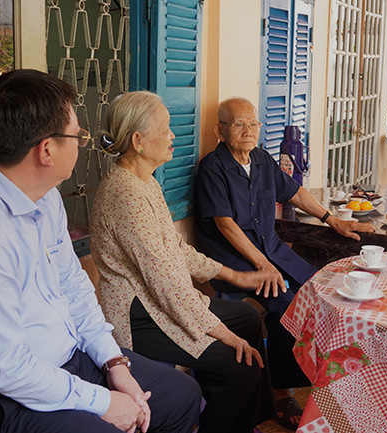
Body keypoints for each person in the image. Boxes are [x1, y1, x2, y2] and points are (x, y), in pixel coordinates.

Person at [0, 70, 201, 433]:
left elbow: (73, 285)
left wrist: (113, 364)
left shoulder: (43, 199)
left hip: (64, 362)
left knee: (180, 395)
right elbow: (7, 368)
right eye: (78, 135)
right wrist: (104, 402)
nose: (82, 143)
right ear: (46, 150)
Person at [89, 91, 275, 433]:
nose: (174, 135)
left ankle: (248, 422)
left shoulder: (144, 182)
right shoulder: (125, 195)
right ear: (138, 141)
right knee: (240, 362)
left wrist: (234, 276)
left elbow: (176, 250)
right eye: (166, 128)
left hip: (158, 301)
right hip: (139, 314)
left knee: (248, 318)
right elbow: (167, 284)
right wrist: (222, 334)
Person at [194, 97, 375, 429]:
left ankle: (324, 374)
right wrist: (262, 264)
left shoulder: (262, 160)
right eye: (238, 124)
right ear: (219, 130)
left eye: (253, 123)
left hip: (272, 252)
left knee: (320, 290)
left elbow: (293, 192)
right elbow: (225, 225)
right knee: (286, 305)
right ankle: (281, 391)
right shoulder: (212, 168)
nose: (248, 131)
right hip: (234, 260)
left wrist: (331, 219)